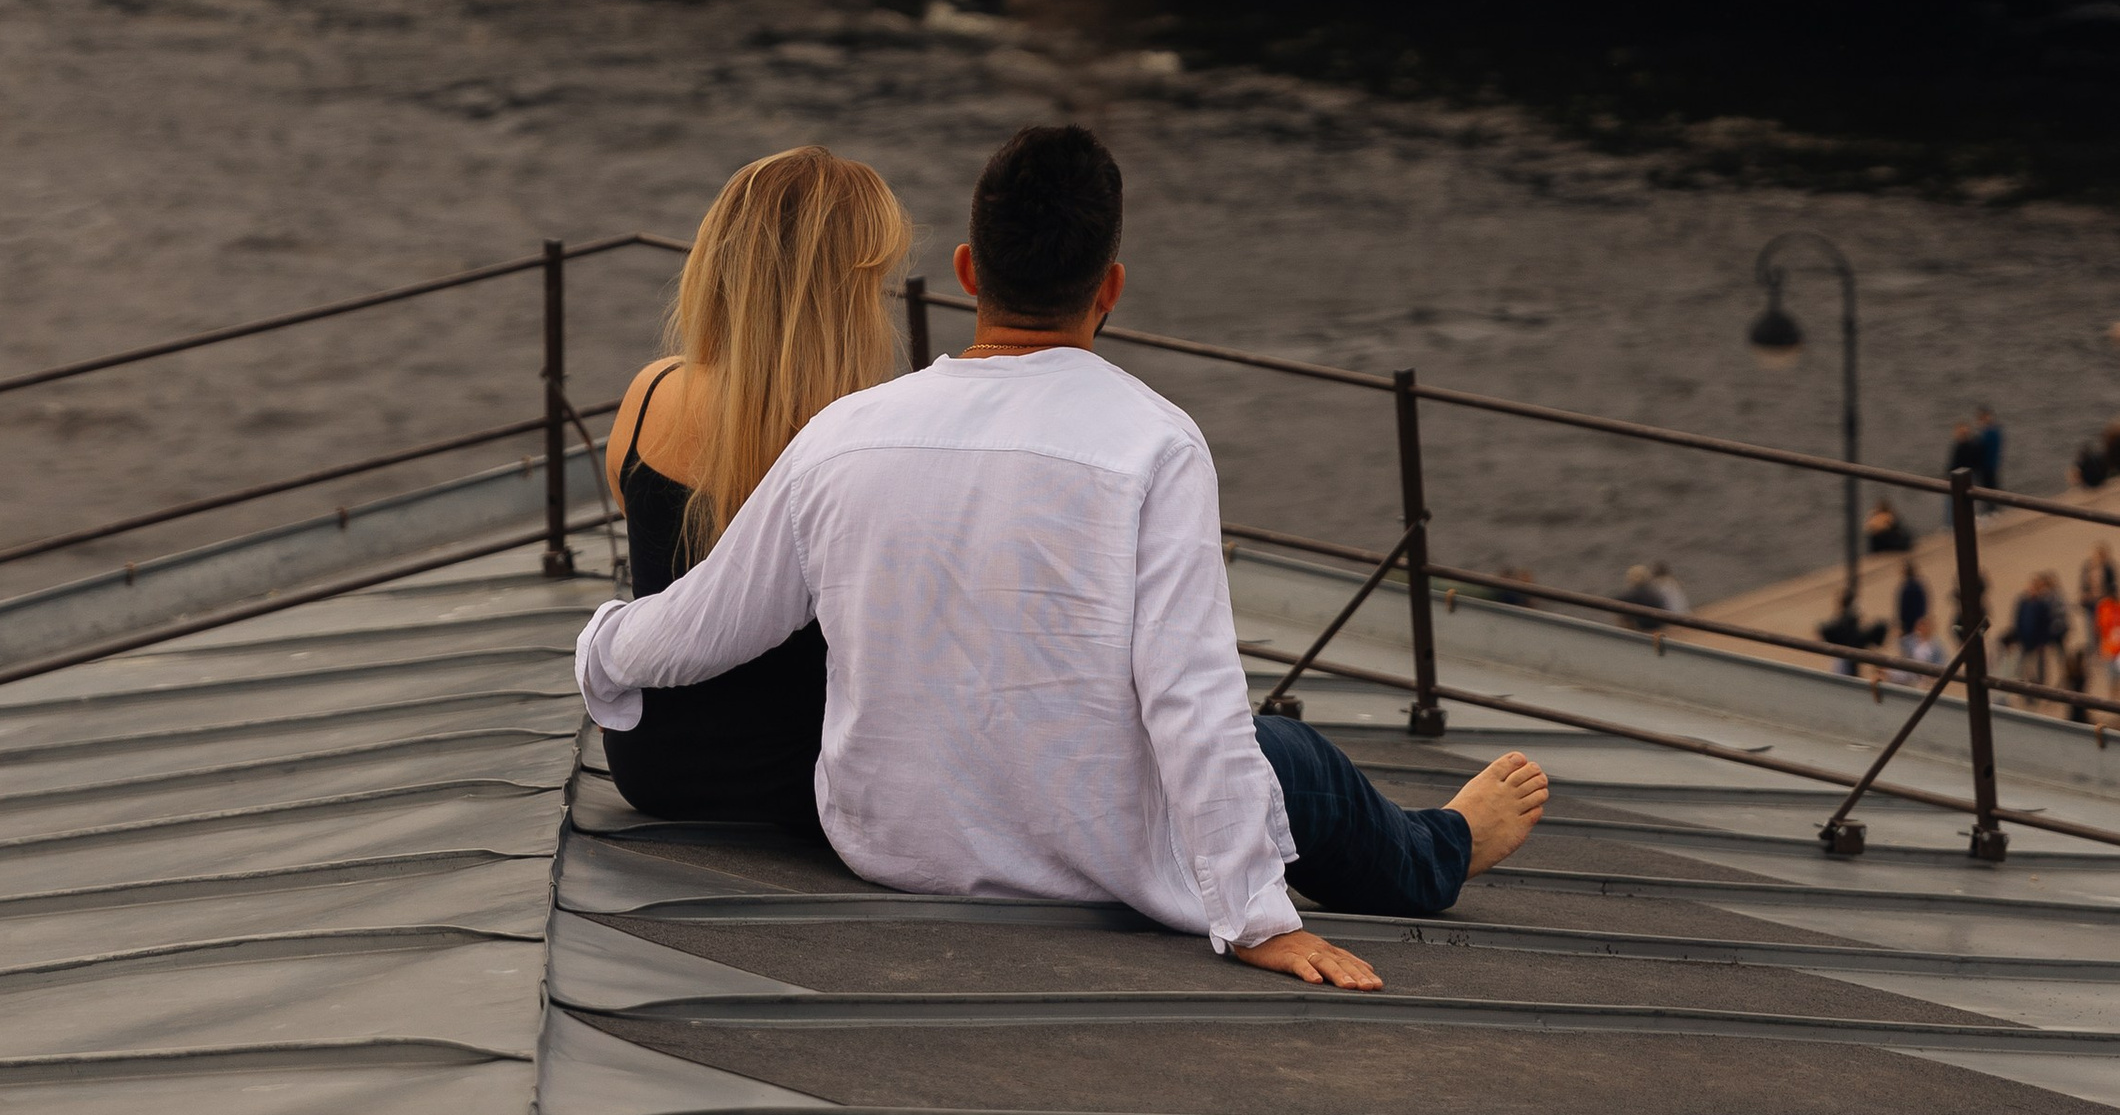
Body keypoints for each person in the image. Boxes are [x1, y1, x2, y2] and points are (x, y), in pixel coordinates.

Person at [578, 124, 1550, 983]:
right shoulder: (1152, 441)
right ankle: (1443, 849)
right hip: (1072, 845)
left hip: (884, 838)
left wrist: (601, 654)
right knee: (1283, 753)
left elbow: (701, 622)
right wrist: (1253, 918)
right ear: (1110, 288)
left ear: (967, 271)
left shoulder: (849, 433)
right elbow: (1191, 699)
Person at [599, 146, 912, 835]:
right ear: (849, 294)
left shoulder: (651, 395)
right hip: (809, 780)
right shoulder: (866, 433)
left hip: (654, 766)